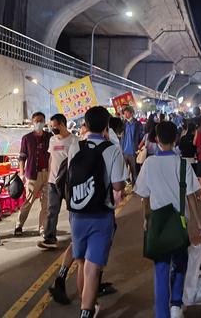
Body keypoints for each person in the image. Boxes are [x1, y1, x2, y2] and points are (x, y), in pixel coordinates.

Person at [135, 121, 201, 318]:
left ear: (156, 139)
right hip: (180, 223)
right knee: (180, 264)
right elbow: (191, 196)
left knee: (161, 269)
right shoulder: (183, 164)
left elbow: (144, 196)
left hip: (157, 222)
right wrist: (199, 222)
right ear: (176, 138)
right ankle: (176, 305)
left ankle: (161, 313)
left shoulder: (149, 163)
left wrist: (146, 218)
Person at [68, 106, 128, 318]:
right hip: (101, 214)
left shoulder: (75, 146)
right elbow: (118, 186)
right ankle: (87, 311)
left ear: (86, 124)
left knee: (81, 263)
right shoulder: (112, 150)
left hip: (77, 214)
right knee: (93, 267)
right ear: (106, 126)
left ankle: (85, 305)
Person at [42, 113, 77, 249]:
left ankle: (76, 238)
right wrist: (49, 176)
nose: (53, 129)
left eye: (55, 126)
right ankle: (49, 238)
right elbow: (51, 158)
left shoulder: (74, 140)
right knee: (52, 210)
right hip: (53, 182)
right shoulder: (53, 140)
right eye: (51, 126)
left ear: (62, 124)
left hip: (68, 182)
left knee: (73, 211)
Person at [15, 112, 50, 237]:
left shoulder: (50, 137)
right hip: (32, 174)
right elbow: (22, 157)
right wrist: (22, 174)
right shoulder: (27, 138)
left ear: (44, 122)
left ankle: (43, 228)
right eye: (36, 120)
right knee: (28, 201)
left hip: (47, 173)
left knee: (45, 204)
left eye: (41, 120)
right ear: (32, 122)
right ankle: (19, 225)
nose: (39, 123)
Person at [121, 106, 143, 185]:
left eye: (127, 113)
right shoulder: (124, 124)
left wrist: (139, 149)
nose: (126, 115)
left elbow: (142, 137)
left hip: (134, 152)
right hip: (124, 151)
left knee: (135, 173)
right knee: (123, 173)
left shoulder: (138, 125)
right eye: (125, 114)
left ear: (132, 113)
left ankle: (136, 188)